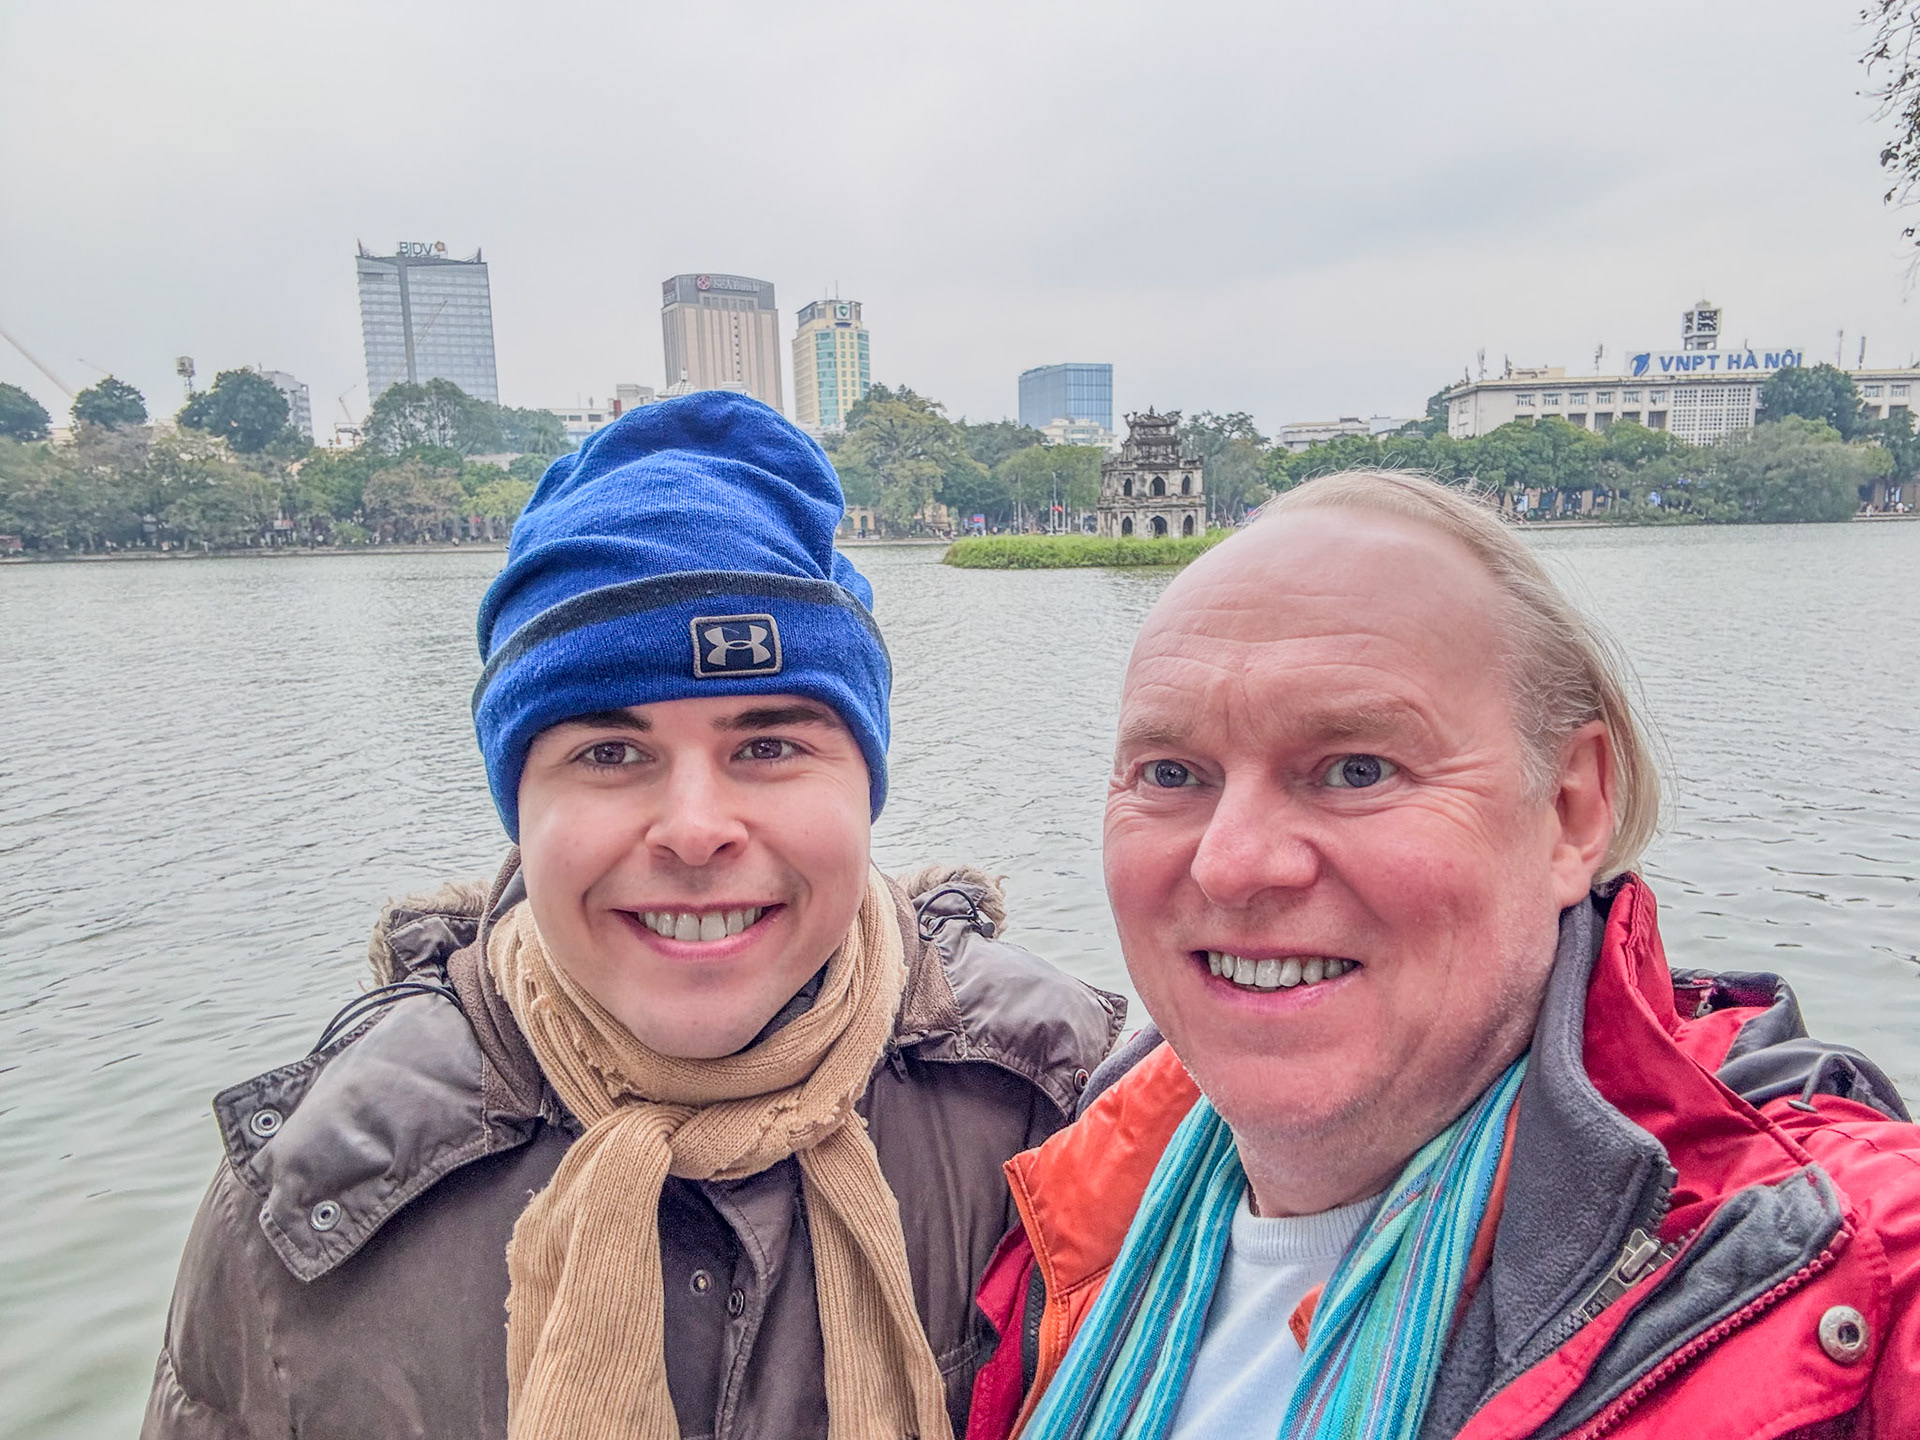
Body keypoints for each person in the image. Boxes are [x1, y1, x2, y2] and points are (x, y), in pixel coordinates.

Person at [142, 392, 1126, 1440]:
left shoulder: (1064, 1102)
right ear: (521, 806)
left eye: (769, 747)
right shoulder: (315, 1201)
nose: (695, 830)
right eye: (610, 754)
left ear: (866, 786)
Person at [967, 470, 1920, 1440]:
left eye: (1357, 770)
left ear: (1570, 811)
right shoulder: (1067, 1192)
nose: (1233, 863)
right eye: (1172, 773)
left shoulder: (1835, 1266)